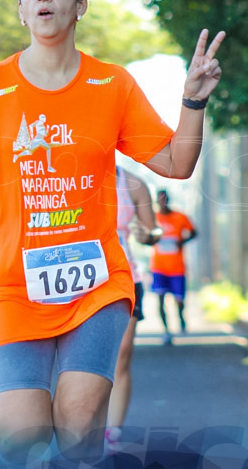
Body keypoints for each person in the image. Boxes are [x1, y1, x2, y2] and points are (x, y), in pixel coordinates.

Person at [0, 0, 224, 463]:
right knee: (20, 434)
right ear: (21, 10)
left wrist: (193, 102)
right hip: (12, 287)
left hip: (95, 284)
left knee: (78, 425)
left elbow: (177, 163)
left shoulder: (112, 85)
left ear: (80, 5)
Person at [105, 167, 160, 452]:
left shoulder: (134, 184)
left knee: (121, 357)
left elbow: (153, 232)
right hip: (79, 283)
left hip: (124, 278)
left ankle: (112, 431)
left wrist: (147, 235)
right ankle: (78, 424)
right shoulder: (66, 177)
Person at [150, 189, 196, 345]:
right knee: (160, 299)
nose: (162, 202)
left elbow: (194, 232)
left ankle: (181, 318)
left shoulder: (180, 217)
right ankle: (166, 331)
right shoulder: (153, 218)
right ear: (156, 201)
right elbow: (145, 235)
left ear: (168, 200)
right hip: (159, 266)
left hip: (177, 267)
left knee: (179, 301)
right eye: (159, 200)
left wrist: (181, 242)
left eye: (164, 199)